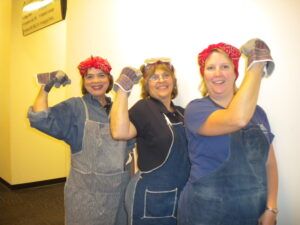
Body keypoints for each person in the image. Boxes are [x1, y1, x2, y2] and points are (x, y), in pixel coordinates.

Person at [177, 39, 278, 225]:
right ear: (203, 75)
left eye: (225, 66)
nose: (217, 73)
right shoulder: (196, 110)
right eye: (210, 68)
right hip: (204, 214)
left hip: (252, 213)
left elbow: (270, 163)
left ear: (235, 72)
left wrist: (271, 208)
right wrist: (257, 66)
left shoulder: (258, 113)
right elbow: (237, 119)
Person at [27, 56, 131, 225]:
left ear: (109, 79)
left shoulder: (117, 108)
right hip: (88, 196)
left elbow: (129, 146)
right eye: (89, 76)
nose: (96, 80)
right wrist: (46, 87)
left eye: (101, 75)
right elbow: (40, 119)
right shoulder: (76, 107)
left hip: (119, 191)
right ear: (84, 82)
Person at [110, 58, 190, 225]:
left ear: (173, 81)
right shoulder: (144, 108)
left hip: (181, 194)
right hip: (150, 197)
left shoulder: (182, 113)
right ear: (147, 85)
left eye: (165, 75)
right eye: (154, 77)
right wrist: (123, 91)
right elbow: (119, 132)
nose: (161, 80)